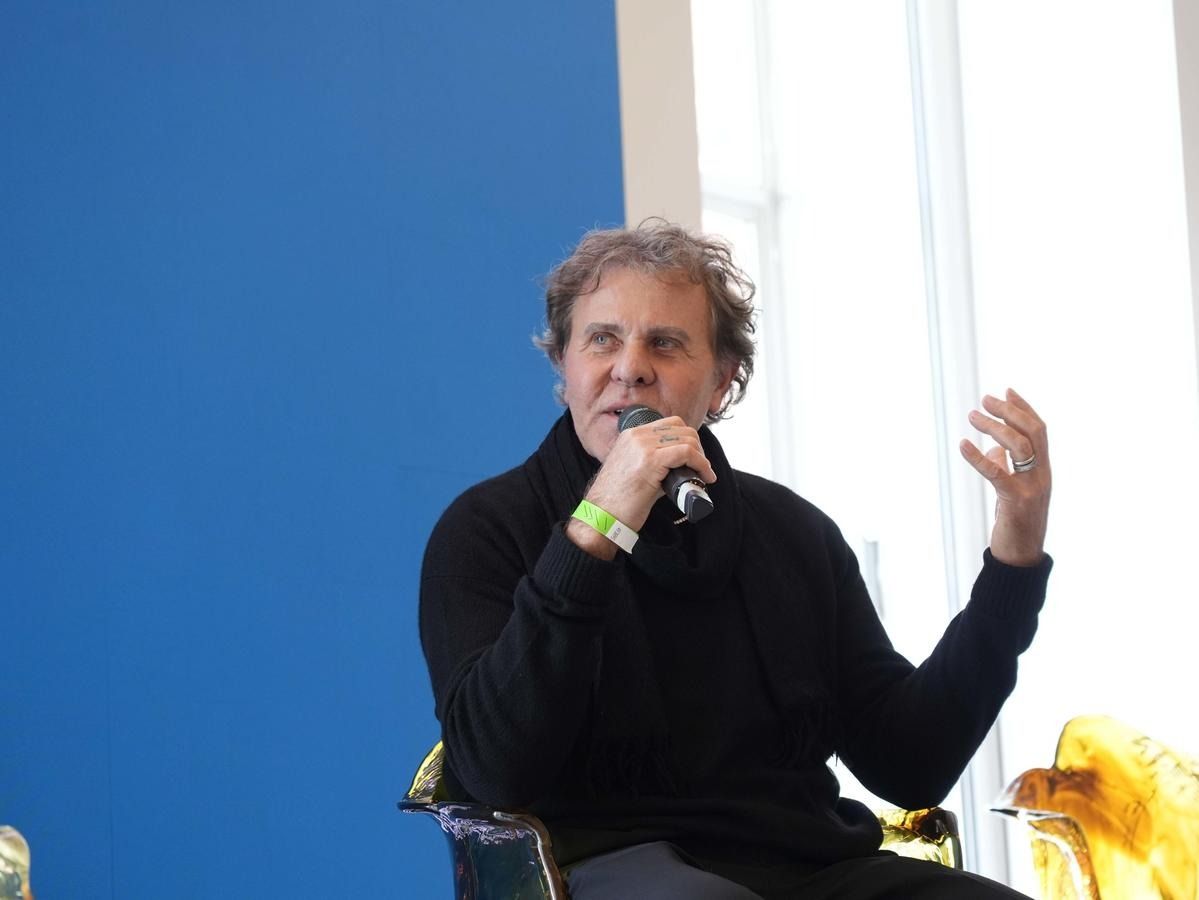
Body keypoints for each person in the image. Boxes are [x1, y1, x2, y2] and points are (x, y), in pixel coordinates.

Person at [419, 221, 1052, 899]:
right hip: (602, 866)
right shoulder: (486, 529)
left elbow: (910, 763)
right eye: (601, 339)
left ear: (721, 382)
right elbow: (495, 770)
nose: (629, 367)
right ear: (565, 368)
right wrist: (597, 525)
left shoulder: (795, 534)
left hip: (812, 868)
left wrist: (1014, 557)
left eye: (664, 343)